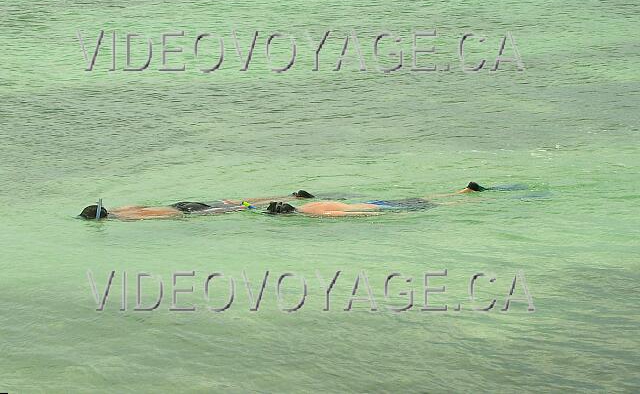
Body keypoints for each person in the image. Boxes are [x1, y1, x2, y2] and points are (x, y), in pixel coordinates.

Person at [266, 182, 488, 217]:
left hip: (381, 207)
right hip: (380, 202)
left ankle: (463, 197)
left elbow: (355, 215)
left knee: (432, 203)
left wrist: (391, 216)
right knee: (425, 199)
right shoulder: (309, 206)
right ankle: (463, 194)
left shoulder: (313, 212)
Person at [79, 190, 315, 220]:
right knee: (230, 201)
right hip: (179, 203)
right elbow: (143, 203)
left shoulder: (122, 219)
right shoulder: (122, 210)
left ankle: (275, 208)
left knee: (233, 207)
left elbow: (161, 217)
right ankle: (293, 196)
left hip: (185, 210)